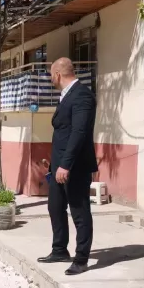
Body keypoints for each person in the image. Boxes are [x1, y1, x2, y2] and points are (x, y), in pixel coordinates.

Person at [36, 58, 98, 276]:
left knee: (79, 212)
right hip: (59, 166)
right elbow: (63, 132)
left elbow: (79, 133)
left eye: (50, 75)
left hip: (75, 167)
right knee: (55, 207)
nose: (50, 79)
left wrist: (66, 164)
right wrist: (54, 164)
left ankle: (81, 259)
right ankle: (59, 249)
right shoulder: (66, 95)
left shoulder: (82, 95)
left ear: (57, 74)